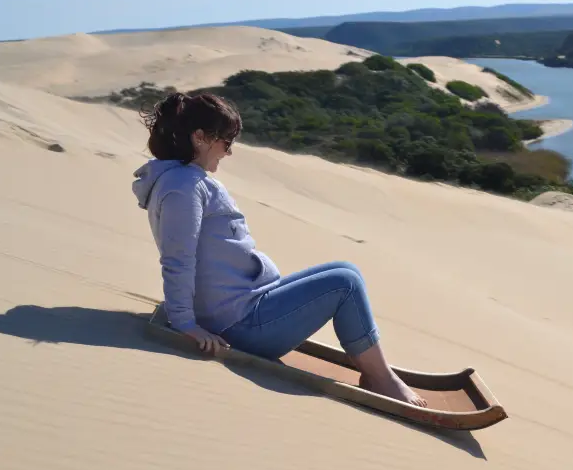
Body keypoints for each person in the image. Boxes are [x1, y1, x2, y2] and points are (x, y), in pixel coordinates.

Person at [131, 92, 428, 407]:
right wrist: (184, 324)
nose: (228, 152)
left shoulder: (186, 180)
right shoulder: (182, 188)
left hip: (247, 305)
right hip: (241, 326)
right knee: (345, 285)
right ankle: (380, 379)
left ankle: (374, 369)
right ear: (200, 137)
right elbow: (178, 259)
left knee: (346, 270)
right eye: (226, 141)